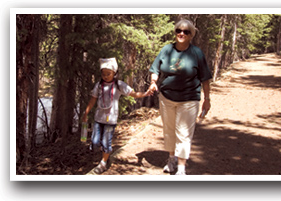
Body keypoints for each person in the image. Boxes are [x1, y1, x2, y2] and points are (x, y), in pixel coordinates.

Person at [149, 19, 212, 175]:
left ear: (191, 35)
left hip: (189, 99)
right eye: (179, 31)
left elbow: (205, 78)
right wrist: (153, 82)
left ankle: (182, 168)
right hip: (167, 97)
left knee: (183, 133)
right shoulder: (166, 49)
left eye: (186, 32)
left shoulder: (196, 53)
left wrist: (207, 99)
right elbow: (155, 69)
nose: (181, 34)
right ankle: (172, 159)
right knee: (169, 130)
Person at [82, 57, 152, 174]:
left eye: (108, 74)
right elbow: (93, 100)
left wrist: (145, 93)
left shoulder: (119, 85)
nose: (105, 76)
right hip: (98, 118)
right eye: (103, 74)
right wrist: (86, 112)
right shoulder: (99, 85)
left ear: (114, 73)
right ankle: (105, 151)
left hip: (111, 120)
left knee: (106, 142)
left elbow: (132, 93)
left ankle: (103, 162)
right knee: (94, 142)